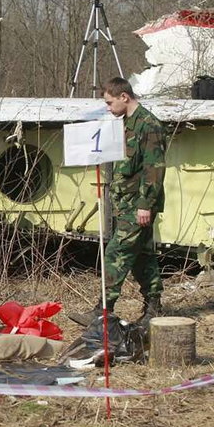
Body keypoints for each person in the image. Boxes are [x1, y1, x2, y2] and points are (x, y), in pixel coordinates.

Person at [69, 77, 166, 327]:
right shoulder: (123, 124)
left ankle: (103, 310)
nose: (108, 108)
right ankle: (154, 307)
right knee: (143, 256)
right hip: (126, 203)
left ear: (124, 97)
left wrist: (145, 204)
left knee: (116, 252)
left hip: (138, 205)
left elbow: (154, 168)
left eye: (110, 103)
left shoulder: (148, 125)